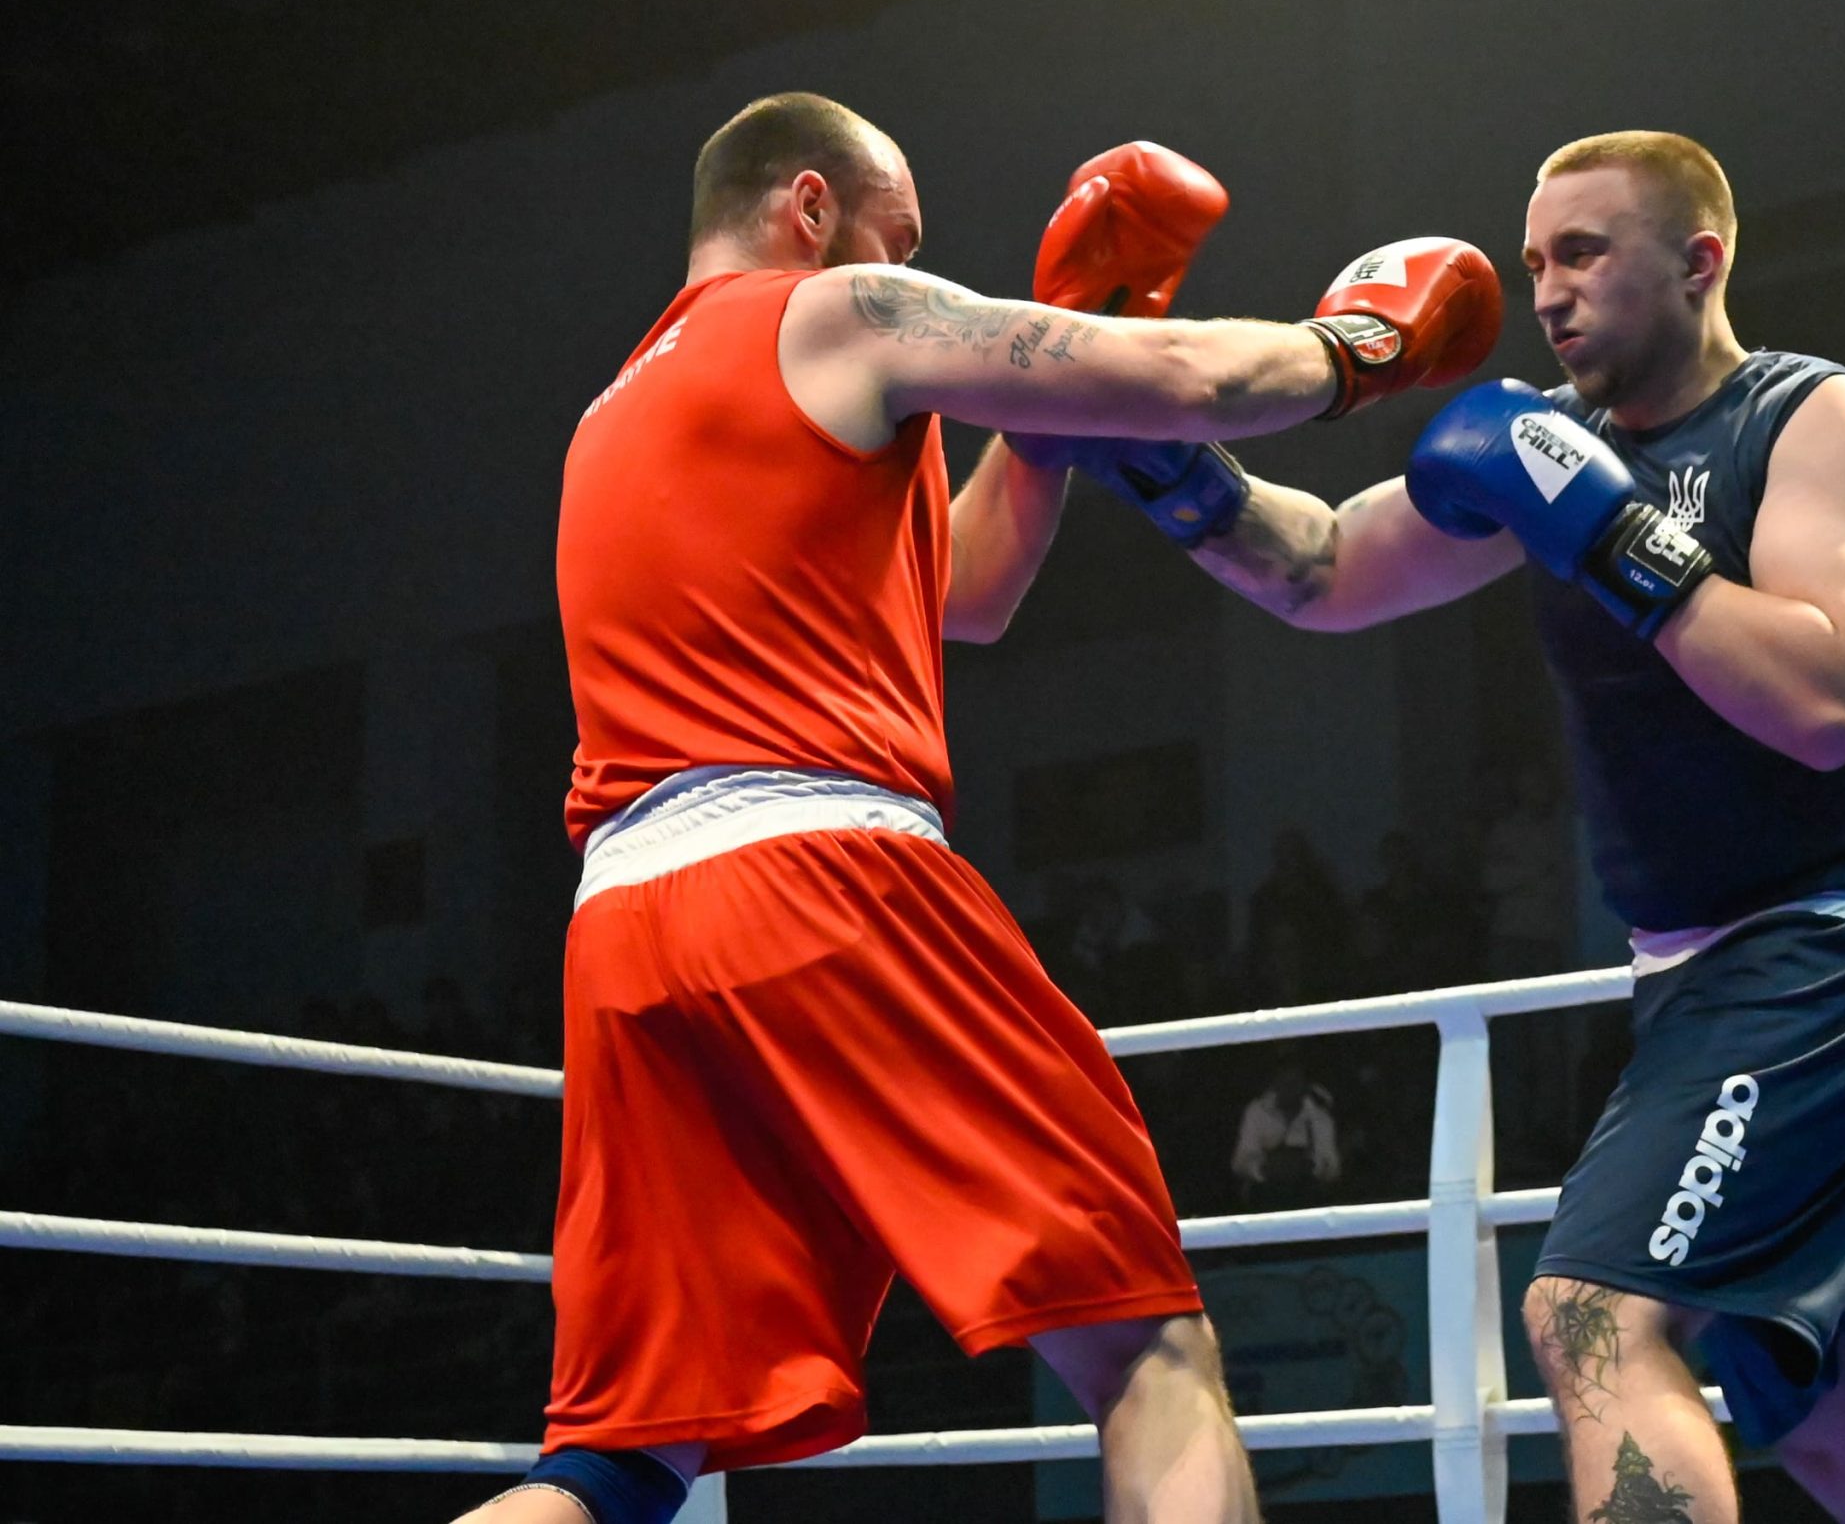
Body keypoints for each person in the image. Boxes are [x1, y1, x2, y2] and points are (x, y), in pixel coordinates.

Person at [463, 92, 1500, 1524]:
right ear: (811, 209)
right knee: (1145, 1349)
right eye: (901, 239)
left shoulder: (614, 414)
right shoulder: (834, 313)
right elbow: (1190, 381)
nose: (911, 268)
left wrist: (1047, 391)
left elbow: (971, 594)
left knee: (619, 1464)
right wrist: (1360, 351)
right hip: (817, 876)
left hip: (628, 934)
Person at [1037, 131, 1845, 1521]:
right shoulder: (1554, 446)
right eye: (1535, 260)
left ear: (1698, 262)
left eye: (1584, 253)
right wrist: (1157, 459)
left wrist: (1610, 534)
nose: (1547, 290)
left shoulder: (1815, 422)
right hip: (1693, 973)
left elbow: (1828, 702)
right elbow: (1322, 568)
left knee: (1592, 1317)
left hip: (1819, 954)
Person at [1229, 1060, 1342, 1209]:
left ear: (1305, 1085)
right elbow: (1239, 1162)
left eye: (1295, 1082)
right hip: (1264, 1193)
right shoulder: (1256, 1111)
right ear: (1274, 1083)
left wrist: (1309, 1166)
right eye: (1284, 1082)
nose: (1289, 1088)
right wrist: (1263, 1169)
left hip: (1305, 1196)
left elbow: (1333, 1167)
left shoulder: (1320, 1116)